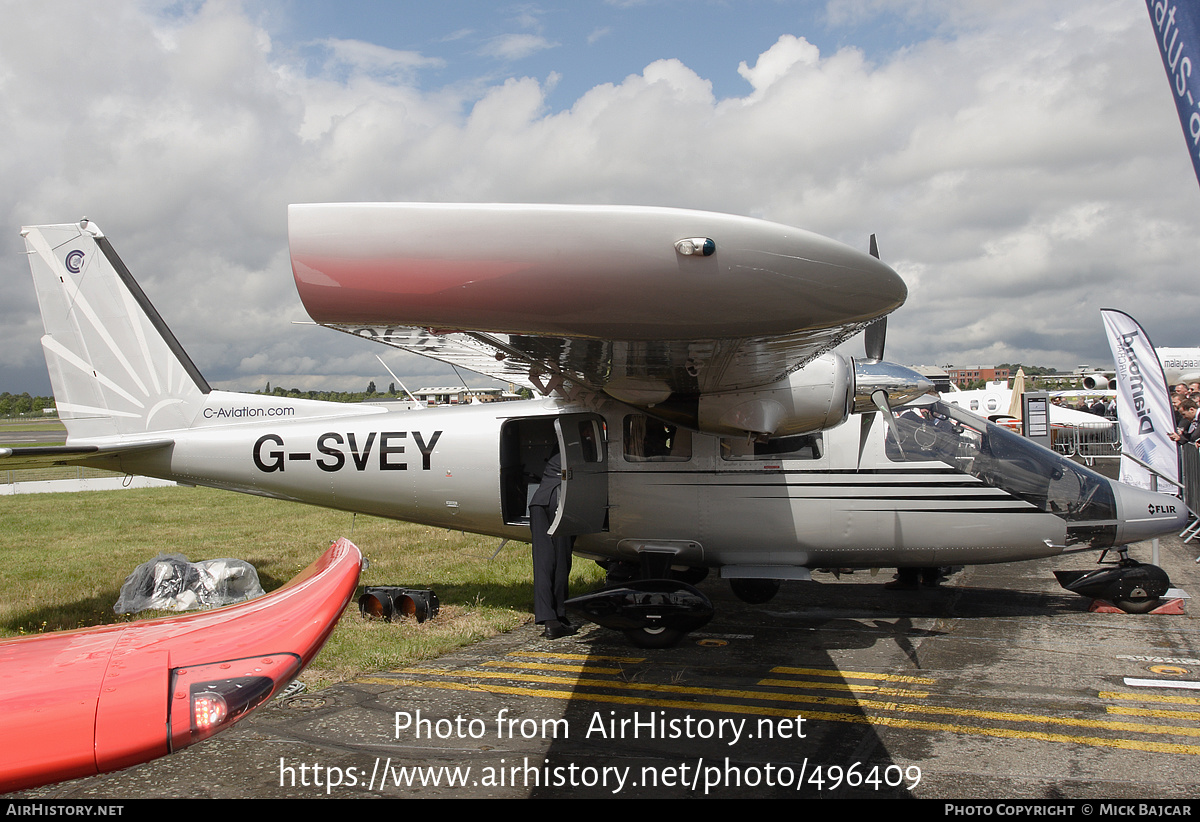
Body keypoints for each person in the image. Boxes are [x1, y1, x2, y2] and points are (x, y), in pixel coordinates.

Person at [529, 449, 576, 639]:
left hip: (539, 501)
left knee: (543, 563)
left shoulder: (559, 449)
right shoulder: (582, 450)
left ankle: (549, 620)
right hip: (559, 501)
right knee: (560, 562)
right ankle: (559, 617)